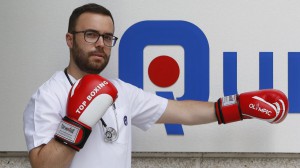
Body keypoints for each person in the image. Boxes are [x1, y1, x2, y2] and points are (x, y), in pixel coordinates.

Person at [23, 3, 289, 168]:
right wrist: (77, 124)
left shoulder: (121, 91)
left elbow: (182, 111)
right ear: (70, 39)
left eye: (107, 37)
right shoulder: (49, 96)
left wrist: (238, 107)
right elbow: (44, 165)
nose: (100, 44)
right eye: (91, 35)